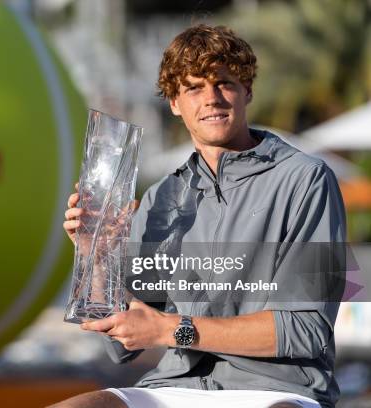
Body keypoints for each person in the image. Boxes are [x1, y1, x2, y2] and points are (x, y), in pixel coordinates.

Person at [56, 24, 346, 408]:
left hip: (280, 391)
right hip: (175, 387)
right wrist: (97, 257)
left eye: (224, 83)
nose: (211, 98)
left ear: (247, 91)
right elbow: (120, 344)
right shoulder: (163, 197)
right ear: (174, 102)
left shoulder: (308, 180)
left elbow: (306, 329)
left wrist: (172, 330)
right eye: (194, 87)